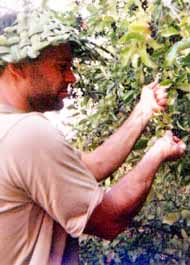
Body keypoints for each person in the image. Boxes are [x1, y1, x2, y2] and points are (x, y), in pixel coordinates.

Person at [0, 9, 186, 265]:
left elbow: (91, 167)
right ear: (18, 67)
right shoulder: (27, 134)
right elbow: (110, 220)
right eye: (61, 66)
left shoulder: (9, 131)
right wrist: (156, 153)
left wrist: (143, 112)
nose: (72, 77)